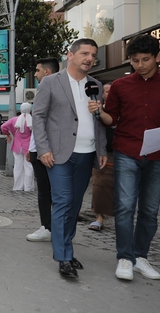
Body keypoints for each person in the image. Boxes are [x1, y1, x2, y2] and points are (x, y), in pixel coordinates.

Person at [95, 33, 160, 281]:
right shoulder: (119, 86)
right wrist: (100, 112)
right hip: (127, 151)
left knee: (149, 211)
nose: (140, 65)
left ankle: (140, 256)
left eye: (145, 59)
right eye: (135, 60)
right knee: (125, 207)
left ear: (158, 57)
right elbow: (112, 120)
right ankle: (125, 258)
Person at [33, 38, 107, 279]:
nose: (89, 58)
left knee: (74, 206)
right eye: (84, 53)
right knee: (63, 201)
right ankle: (63, 256)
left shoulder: (95, 85)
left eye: (93, 55)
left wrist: (102, 150)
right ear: (70, 55)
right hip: (59, 154)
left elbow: (100, 124)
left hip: (87, 154)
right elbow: (39, 116)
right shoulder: (51, 82)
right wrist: (43, 148)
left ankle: (66, 247)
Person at [26, 57, 59, 242]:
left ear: (46, 72)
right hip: (38, 148)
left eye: (37, 70)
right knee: (45, 190)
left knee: (52, 191)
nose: (35, 74)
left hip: (49, 149)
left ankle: (52, 227)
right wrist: (31, 148)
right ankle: (47, 225)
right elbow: (37, 123)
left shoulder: (53, 89)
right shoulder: (43, 89)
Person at [89, 82, 115, 232]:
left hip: (122, 153)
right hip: (101, 153)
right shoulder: (96, 110)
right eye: (105, 91)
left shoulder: (121, 109)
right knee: (99, 186)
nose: (108, 94)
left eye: (111, 91)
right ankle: (99, 217)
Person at [1, 103, 35, 192]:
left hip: (17, 146)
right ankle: (28, 187)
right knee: (29, 166)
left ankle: (17, 186)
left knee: (17, 166)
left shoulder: (14, 120)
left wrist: (8, 134)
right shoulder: (33, 120)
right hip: (29, 147)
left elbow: (3, 127)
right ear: (30, 110)